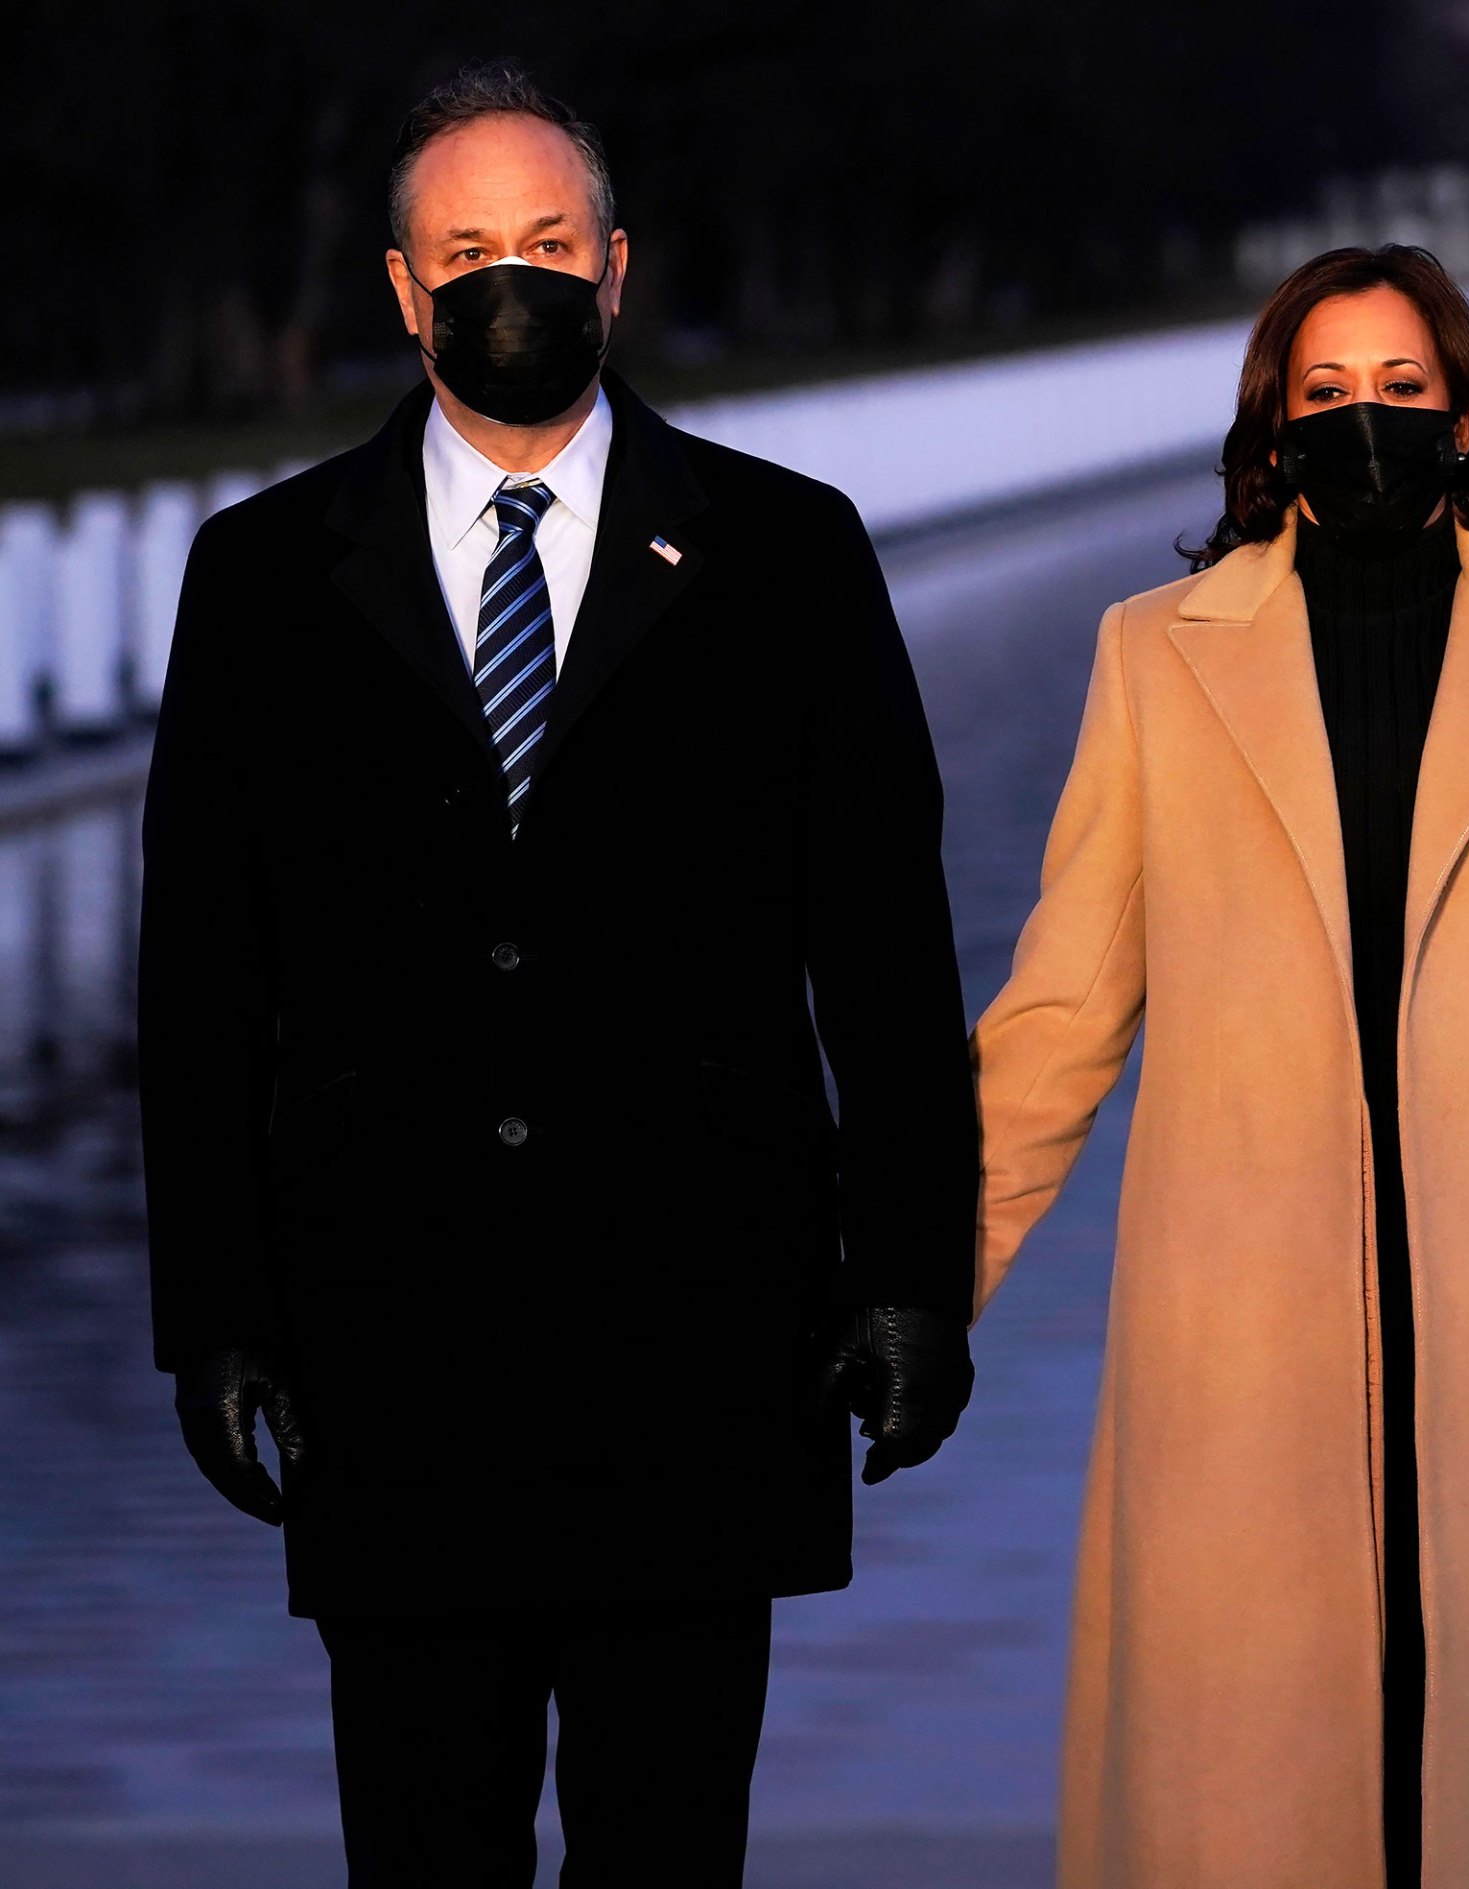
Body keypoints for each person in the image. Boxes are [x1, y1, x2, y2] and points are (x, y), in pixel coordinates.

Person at [137, 60, 979, 1888]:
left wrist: (915, 1276)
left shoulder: (787, 551)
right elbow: (201, 977)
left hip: (701, 1333)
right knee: (421, 1854)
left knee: (668, 1852)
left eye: (544, 239)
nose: (507, 279)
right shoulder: (262, 575)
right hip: (390, 1343)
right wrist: (212, 1310)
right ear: (400, 287)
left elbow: (888, 953)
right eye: (465, 252)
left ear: (616, 265)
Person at [969, 245, 1469, 1889]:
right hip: (1236, 1350)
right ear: (1273, 426)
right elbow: (1061, 1012)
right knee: (1252, 1798)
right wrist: (908, 1277)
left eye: (1400, 387)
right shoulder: (1154, 653)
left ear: (1466, 420)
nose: (1363, 417)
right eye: (1324, 391)